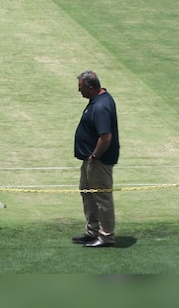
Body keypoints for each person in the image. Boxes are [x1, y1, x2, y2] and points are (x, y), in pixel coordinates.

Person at [72, 70, 120, 248]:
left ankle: (106, 237)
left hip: (99, 162)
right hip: (90, 160)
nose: (79, 91)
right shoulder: (97, 100)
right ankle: (93, 231)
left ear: (91, 88)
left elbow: (105, 137)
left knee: (101, 198)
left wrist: (95, 156)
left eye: (81, 88)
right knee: (87, 193)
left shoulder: (100, 107)